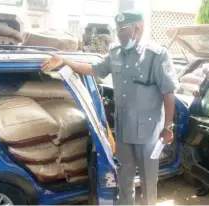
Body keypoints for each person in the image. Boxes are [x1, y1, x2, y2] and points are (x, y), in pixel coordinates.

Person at [41, 10, 179, 205]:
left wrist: (168, 127)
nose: (119, 34)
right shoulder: (115, 52)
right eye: (118, 29)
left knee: (148, 183)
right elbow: (93, 69)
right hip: (123, 130)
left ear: (138, 27)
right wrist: (65, 62)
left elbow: (169, 92)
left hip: (148, 132)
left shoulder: (156, 55)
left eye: (123, 29)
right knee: (124, 179)